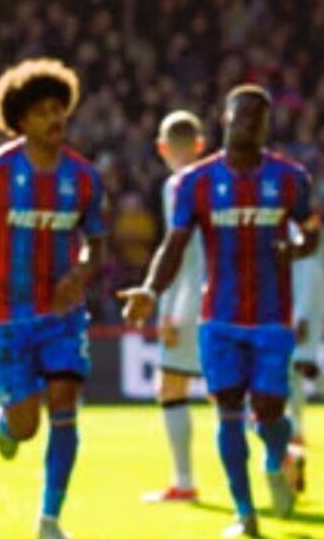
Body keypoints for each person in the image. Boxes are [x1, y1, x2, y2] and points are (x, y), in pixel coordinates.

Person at [120, 84, 320, 538]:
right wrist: (151, 290)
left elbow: (311, 233)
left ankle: (275, 459)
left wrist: (296, 248)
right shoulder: (197, 182)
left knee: (269, 411)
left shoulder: (291, 179)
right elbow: (174, 246)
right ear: (225, 119)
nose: (249, 121)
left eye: (259, 116)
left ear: (268, 124)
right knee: (227, 409)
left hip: (272, 319)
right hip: (219, 320)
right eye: (242, 114)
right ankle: (245, 513)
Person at [0, 58, 107, 539]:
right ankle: (7, 424)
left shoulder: (85, 178)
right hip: (10, 317)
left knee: (64, 402)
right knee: (26, 427)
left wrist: (81, 269)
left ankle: (50, 520)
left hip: (63, 316)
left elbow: (97, 240)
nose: (55, 120)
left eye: (60, 109)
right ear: (21, 120)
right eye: (42, 112)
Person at [142, 111, 207, 503]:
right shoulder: (224, 181)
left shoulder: (178, 185)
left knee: (170, 386)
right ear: (200, 145)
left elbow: (178, 252)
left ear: (162, 148)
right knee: (227, 390)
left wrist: (166, 308)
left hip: (188, 300)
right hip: (228, 296)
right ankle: (281, 451)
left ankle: (183, 482)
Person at [286, 214, 323, 492]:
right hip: (294, 309)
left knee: (299, 369)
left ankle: (294, 435)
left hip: (301, 310)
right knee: (297, 372)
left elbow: (310, 270)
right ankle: (295, 431)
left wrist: (300, 316)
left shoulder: (298, 226)